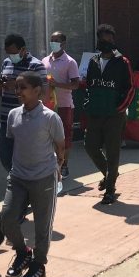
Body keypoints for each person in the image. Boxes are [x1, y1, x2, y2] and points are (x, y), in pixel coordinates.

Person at [1, 72, 65, 277]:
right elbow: (12, 142)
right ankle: (22, 253)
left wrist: (58, 167)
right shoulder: (13, 115)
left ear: (37, 90)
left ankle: (39, 267)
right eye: (16, 88)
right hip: (18, 177)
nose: (18, 92)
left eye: (23, 88)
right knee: (7, 218)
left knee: (42, 227)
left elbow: (60, 145)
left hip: (43, 178)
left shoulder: (50, 117)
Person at [84, 24, 135, 205]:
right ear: (99, 40)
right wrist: (89, 102)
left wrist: (120, 108)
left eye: (110, 39)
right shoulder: (93, 61)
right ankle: (109, 173)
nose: (107, 42)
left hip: (115, 115)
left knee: (113, 152)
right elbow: (89, 84)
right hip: (96, 113)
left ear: (113, 41)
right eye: (103, 39)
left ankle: (110, 190)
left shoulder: (123, 62)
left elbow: (130, 88)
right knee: (90, 146)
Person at [0, 33, 46, 171]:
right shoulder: (6, 63)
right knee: (6, 157)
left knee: (27, 157)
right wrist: (0, 87)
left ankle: (22, 183)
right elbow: (1, 93)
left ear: (23, 49)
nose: (11, 56)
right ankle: (16, 179)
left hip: (28, 119)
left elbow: (43, 93)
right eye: (9, 53)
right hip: (7, 118)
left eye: (14, 53)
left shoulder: (36, 66)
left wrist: (18, 87)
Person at [42, 31, 80, 177]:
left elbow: (75, 85)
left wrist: (56, 84)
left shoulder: (70, 62)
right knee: (47, 135)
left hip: (64, 105)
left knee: (64, 136)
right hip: (47, 104)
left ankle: (64, 164)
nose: (53, 43)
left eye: (56, 40)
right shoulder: (44, 60)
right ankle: (50, 164)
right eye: (52, 40)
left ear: (63, 43)